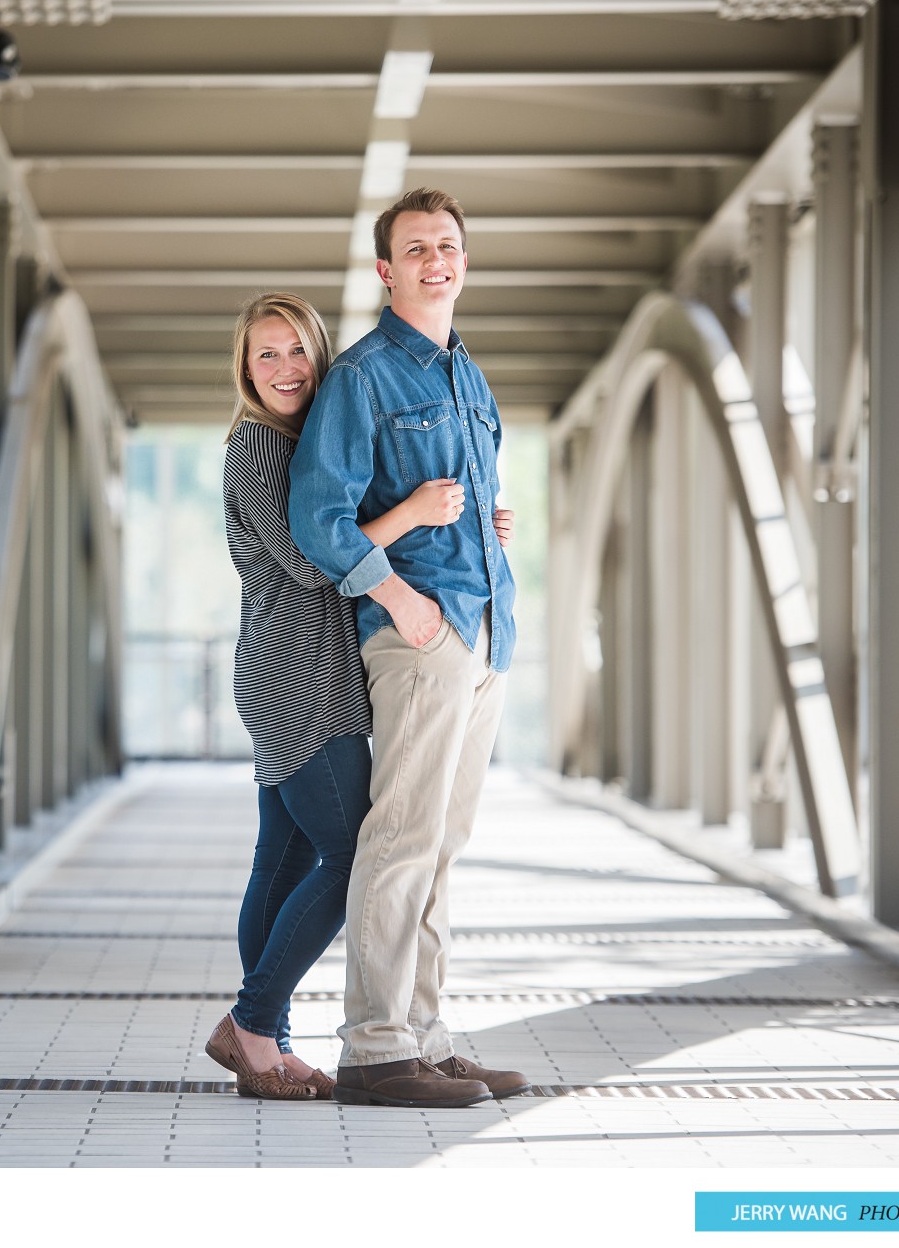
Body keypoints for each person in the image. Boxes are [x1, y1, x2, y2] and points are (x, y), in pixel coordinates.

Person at [287, 187, 526, 1108]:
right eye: (417, 248)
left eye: (449, 245)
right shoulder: (364, 376)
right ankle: (376, 1046)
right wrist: (399, 598)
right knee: (401, 838)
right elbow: (319, 517)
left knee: (444, 843)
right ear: (386, 271)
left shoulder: (468, 373)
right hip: (421, 634)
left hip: (484, 629)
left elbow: (462, 502)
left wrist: (492, 530)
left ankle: (425, 1035)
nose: (437, 259)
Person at [204, 291, 470, 1101]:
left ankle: (268, 1046)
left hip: (306, 666)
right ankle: (251, 1023)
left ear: (318, 354)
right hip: (295, 675)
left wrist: (464, 526)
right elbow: (315, 560)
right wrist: (414, 511)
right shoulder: (255, 446)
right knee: (355, 851)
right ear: (246, 370)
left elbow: (343, 530)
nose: (284, 367)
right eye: (265, 354)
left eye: (295, 350)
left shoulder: (298, 441)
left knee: (281, 861)